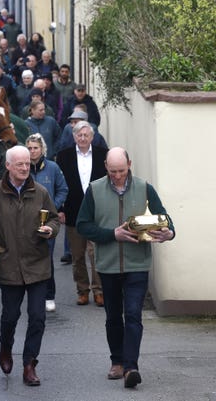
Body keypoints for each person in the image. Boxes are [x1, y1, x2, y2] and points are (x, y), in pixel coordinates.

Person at [77, 147, 175, 389]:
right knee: (113, 317)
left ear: (129, 164)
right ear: (105, 167)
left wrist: (168, 232)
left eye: (121, 171)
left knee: (133, 314)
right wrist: (113, 234)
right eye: (112, 171)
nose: (117, 176)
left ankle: (131, 367)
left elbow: (164, 217)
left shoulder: (144, 188)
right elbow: (82, 226)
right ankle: (117, 361)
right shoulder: (95, 190)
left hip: (137, 264)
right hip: (108, 265)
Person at [0, 145, 60, 387]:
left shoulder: (40, 192)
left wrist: (50, 229)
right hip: (9, 264)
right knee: (10, 316)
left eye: (27, 163)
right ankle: (5, 347)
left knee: (37, 318)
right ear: (8, 166)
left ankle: (30, 363)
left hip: (38, 264)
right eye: (19, 164)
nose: (24, 168)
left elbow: (53, 218)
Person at [56, 121, 107, 307]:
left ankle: (99, 291)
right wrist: (60, 210)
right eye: (80, 135)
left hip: (97, 213)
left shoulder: (103, 155)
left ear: (92, 137)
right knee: (77, 256)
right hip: (73, 212)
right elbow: (58, 186)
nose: (83, 138)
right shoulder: (63, 157)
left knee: (96, 254)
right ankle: (82, 290)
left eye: (86, 135)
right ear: (74, 137)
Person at [26, 134, 68, 312]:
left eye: (35, 148)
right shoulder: (23, 167)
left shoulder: (52, 167)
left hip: (47, 222)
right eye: (29, 148)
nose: (32, 151)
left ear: (42, 149)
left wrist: (53, 207)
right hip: (26, 221)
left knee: (46, 258)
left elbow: (63, 189)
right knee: (28, 257)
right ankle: (32, 293)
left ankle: (49, 295)